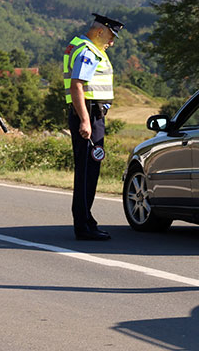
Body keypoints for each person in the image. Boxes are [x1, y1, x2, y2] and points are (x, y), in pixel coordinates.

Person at [64, 13, 124, 241]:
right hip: (89, 113)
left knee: (89, 170)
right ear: (100, 31)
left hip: (91, 114)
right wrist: (85, 121)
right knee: (87, 172)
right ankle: (84, 225)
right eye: (111, 36)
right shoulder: (87, 51)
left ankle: (86, 220)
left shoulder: (86, 47)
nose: (112, 42)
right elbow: (77, 86)